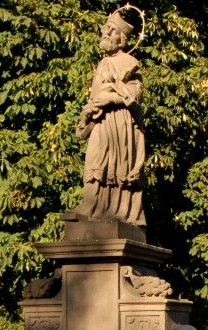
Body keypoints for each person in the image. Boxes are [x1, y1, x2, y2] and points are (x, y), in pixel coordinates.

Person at [73, 10, 145, 225]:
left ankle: (115, 209)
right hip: (100, 120)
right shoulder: (103, 63)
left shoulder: (129, 61)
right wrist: (87, 114)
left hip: (119, 121)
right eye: (105, 29)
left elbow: (135, 95)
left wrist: (111, 98)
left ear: (122, 38)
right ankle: (92, 203)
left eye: (111, 30)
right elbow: (95, 95)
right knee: (95, 158)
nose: (105, 33)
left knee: (114, 163)